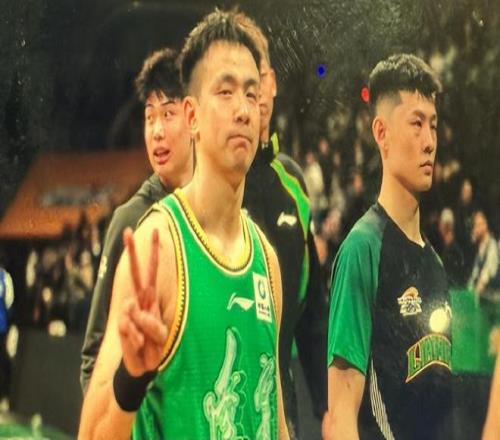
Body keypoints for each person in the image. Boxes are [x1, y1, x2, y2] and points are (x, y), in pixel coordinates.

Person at [79, 9, 289, 439]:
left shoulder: (266, 261)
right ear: (192, 116)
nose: (243, 110)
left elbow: (275, 421)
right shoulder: (157, 242)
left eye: (251, 95)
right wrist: (131, 378)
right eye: (225, 91)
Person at [325, 54, 452, 439]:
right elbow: (342, 413)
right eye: (416, 123)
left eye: (433, 125)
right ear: (381, 133)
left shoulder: (435, 264)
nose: (429, 142)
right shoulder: (362, 250)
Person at [235, 12, 327, 438]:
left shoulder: (294, 186)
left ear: (270, 83)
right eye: (234, 85)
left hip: (282, 409)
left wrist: (327, 406)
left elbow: (311, 313)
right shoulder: (206, 182)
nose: (251, 95)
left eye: (256, 79)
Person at [80, 47, 193, 393]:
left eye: (168, 114)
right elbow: (93, 357)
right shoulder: (130, 219)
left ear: (194, 118)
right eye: (149, 117)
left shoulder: (217, 215)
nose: (156, 131)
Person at [468, 209, 499, 295]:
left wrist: (474, 295)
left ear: (485, 225)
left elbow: (486, 276)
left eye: (477, 225)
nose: (474, 230)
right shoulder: (480, 248)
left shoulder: (492, 246)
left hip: (493, 297)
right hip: (483, 295)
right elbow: (474, 274)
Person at [0, 255, 14, 411]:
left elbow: (9, 302)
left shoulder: (5, 278)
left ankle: (3, 396)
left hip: (1, 327)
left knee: (2, 361)